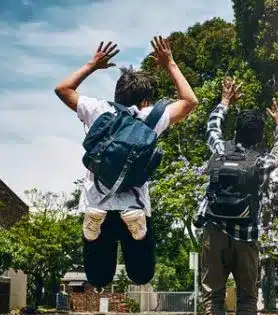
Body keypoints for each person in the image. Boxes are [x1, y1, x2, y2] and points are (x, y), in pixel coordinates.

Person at [54, 37, 198, 289]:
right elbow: (190, 102)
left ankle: (92, 226)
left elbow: (62, 89)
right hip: (135, 203)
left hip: (96, 201)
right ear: (145, 100)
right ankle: (138, 230)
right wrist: (170, 63)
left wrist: (93, 64)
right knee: (141, 274)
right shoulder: (151, 117)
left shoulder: (98, 109)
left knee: (99, 277)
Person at [198, 77, 278, 315]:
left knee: (213, 296)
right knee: (249, 298)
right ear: (258, 136)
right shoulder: (261, 162)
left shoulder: (218, 150)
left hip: (213, 234)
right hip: (247, 238)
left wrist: (224, 101)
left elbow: (211, 126)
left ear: (235, 133)